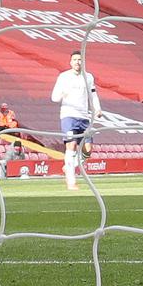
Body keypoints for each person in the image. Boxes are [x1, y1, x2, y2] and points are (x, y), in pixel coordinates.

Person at [51, 50, 102, 191]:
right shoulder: (64, 77)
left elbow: (93, 95)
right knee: (71, 145)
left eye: (79, 60)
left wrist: (97, 109)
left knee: (87, 149)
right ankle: (71, 181)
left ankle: (70, 166)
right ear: (70, 62)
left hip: (84, 117)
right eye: (74, 60)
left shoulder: (88, 77)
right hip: (69, 115)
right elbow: (54, 97)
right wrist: (63, 92)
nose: (77, 62)